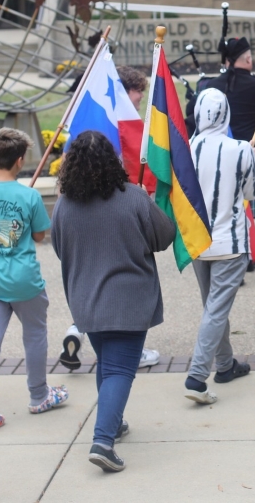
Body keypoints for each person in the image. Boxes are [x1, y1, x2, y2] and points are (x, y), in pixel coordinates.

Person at [51, 131, 175, 473]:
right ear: (112, 161)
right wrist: (149, 203)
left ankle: (114, 423)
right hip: (129, 300)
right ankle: (103, 441)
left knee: (107, 363)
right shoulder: (133, 197)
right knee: (120, 369)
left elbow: (60, 249)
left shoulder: (63, 205)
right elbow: (164, 236)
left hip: (86, 300)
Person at [0, 128, 68, 431]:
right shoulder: (30, 195)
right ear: (21, 161)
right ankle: (38, 395)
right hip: (25, 281)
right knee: (35, 336)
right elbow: (39, 235)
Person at [59, 64, 161, 371]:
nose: (138, 106)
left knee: (92, 276)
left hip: (85, 215)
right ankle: (129, 352)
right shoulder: (117, 123)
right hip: (120, 209)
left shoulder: (92, 122)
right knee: (117, 279)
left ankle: (77, 329)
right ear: (123, 91)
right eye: (137, 98)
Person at [184, 88, 255, 404]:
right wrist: (249, 160)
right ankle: (197, 376)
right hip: (229, 241)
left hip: (196, 241)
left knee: (213, 308)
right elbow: (252, 193)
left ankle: (226, 365)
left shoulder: (186, 148)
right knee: (216, 309)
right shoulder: (241, 149)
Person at [187, 37, 255, 271]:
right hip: (249, 152)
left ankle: (224, 252)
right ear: (247, 58)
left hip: (213, 154)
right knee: (241, 206)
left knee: (217, 204)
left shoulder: (210, 86)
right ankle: (243, 254)